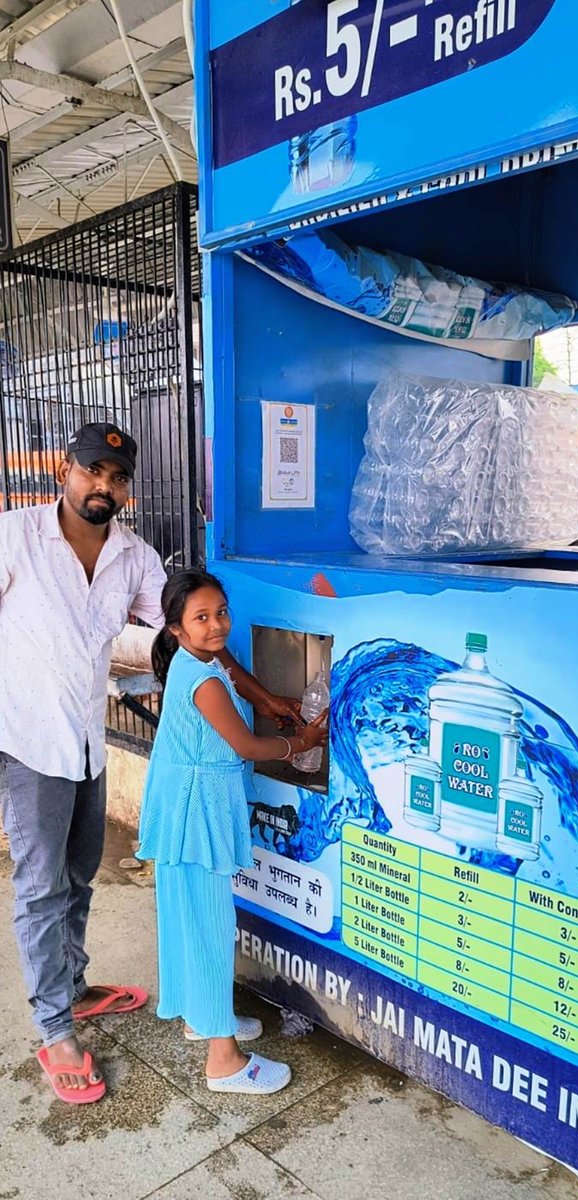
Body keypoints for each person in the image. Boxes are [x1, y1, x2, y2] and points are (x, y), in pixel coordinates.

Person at [0, 422, 299, 1106]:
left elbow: (192, 633)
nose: (103, 484)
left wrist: (263, 696)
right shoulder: (13, 537)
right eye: (92, 471)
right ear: (64, 473)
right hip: (25, 740)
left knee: (78, 875)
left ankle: (72, 988)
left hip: (82, 740)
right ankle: (55, 1031)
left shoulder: (132, 557)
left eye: (117, 476)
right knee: (43, 886)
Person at [137, 569, 327, 1095]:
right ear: (176, 627)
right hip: (195, 811)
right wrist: (301, 742)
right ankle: (223, 1060)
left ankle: (204, 1015)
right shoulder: (200, 682)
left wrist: (268, 700)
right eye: (201, 618)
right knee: (209, 922)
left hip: (186, 801)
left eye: (221, 612)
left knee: (191, 914)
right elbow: (247, 746)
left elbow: (232, 670)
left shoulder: (194, 657)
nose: (217, 625)